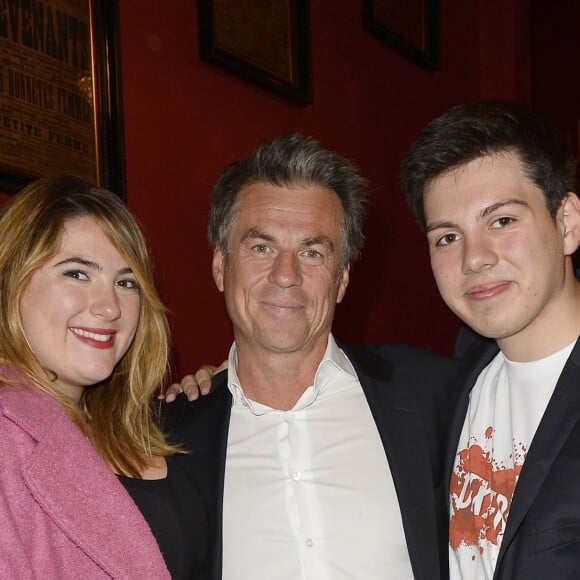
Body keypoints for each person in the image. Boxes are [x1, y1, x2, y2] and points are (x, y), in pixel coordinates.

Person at [164, 134, 463, 580]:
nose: (286, 275)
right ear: (220, 267)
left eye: (312, 251)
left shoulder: (433, 396)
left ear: (341, 279)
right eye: (261, 247)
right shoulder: (165, 437)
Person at [400, 101, 580, 579]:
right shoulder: (460, 372)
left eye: (501, 221)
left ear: (567, 223)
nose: (474, 258)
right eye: (447, 237)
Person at [0, 176, 207, 579]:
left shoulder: (144, 428)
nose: (111, 306)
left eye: (126, 283)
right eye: (77, 274)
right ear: (11, 282)